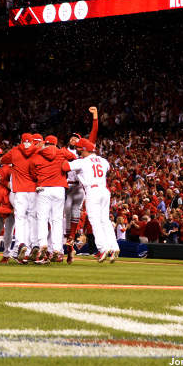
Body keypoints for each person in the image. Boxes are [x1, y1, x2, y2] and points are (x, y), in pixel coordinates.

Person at [63, 138, 120, 263]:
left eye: (79, 149)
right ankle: (114, 246)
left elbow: (65, 166)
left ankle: (103, 248)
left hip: (92, 191)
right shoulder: (104, 161)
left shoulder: (82, 162)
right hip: (104, 191)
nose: (78, 151)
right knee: (105, 221)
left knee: (95, 221)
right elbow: (106, 169)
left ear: (84, 151)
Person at [29, 135, 76, 264]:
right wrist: (62, 152)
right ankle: (56, 248)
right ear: (55, 144)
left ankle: (43, 244)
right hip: (59, 189)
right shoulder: (61, 152)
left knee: (42, 219)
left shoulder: (37, 154)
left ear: (45, 144)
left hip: (43, 188)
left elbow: (33, 174)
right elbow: (73, 157)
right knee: (57, 220)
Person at [63, 107, 99, 257]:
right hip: (66, 187)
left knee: (75, 212)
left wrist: (95, 116)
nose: (73, 139)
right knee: (66, 210)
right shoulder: (63, 150)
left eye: (76, 138)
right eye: (71, 138)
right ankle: (68, 239)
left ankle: (71, 239)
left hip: (79, 187)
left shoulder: (84, 153)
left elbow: (94, 133)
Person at [1, 134, 38, 263]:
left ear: (21, 141)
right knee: (32, 218)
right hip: (33, 190)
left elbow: (3, 160)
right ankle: (34, 244)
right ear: (32, 141)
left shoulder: (15, 151)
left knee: (20, 218)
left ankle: (21, 243)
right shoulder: (37, 151)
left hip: (19, 190)